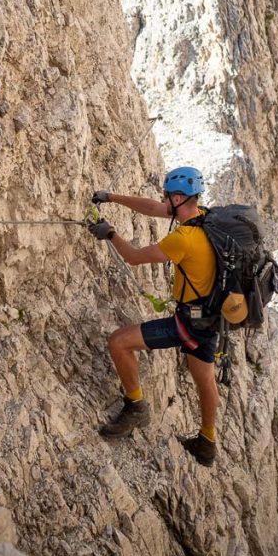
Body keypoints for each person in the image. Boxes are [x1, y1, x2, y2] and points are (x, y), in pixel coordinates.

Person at [88, 165, 219, 467]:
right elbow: (153, 208)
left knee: (119, 342)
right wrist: (111, 197)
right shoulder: (206, 219)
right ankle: (207, 441)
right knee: (204, 379)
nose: (163, 201)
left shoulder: (183, 238)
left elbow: (133, 258)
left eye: (167, 196)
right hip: (210, 319)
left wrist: (110, 233)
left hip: (189, 324)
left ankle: (136, 407)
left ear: (177, 197)